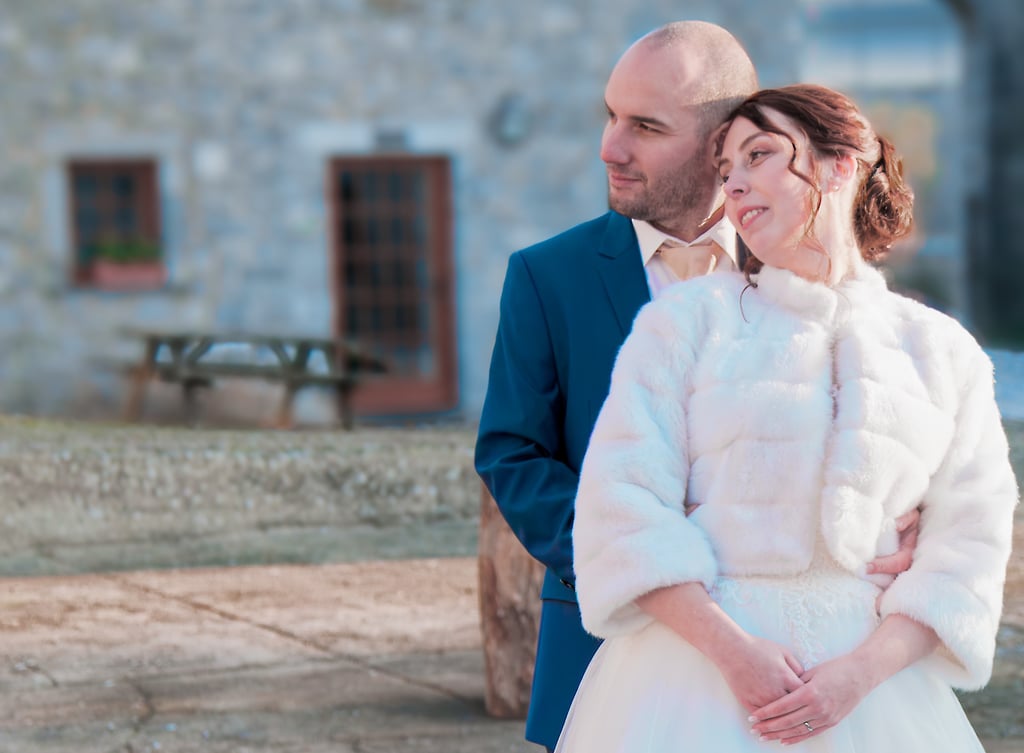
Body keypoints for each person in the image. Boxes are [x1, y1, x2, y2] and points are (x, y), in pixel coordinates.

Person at [475, 22, 919, 752]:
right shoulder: (545, 276)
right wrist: (637, 555)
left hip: (803, 659)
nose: (609, 147)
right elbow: (512, 454)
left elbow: (882, 427)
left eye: (645, 126)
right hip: (606, 648)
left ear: (723, 142)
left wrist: (908, 511)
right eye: (610, 116)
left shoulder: (809, 265)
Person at [556, 83, 1019, 752]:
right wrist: (735, 653)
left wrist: (858, 677)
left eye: (759, 155)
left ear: (840, 165)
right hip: (692, 682)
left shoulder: (941, 351)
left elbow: (970, 544)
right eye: (725, 171)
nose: (734, 185)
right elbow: (619, 508)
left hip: (876, 696)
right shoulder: (685, 324)